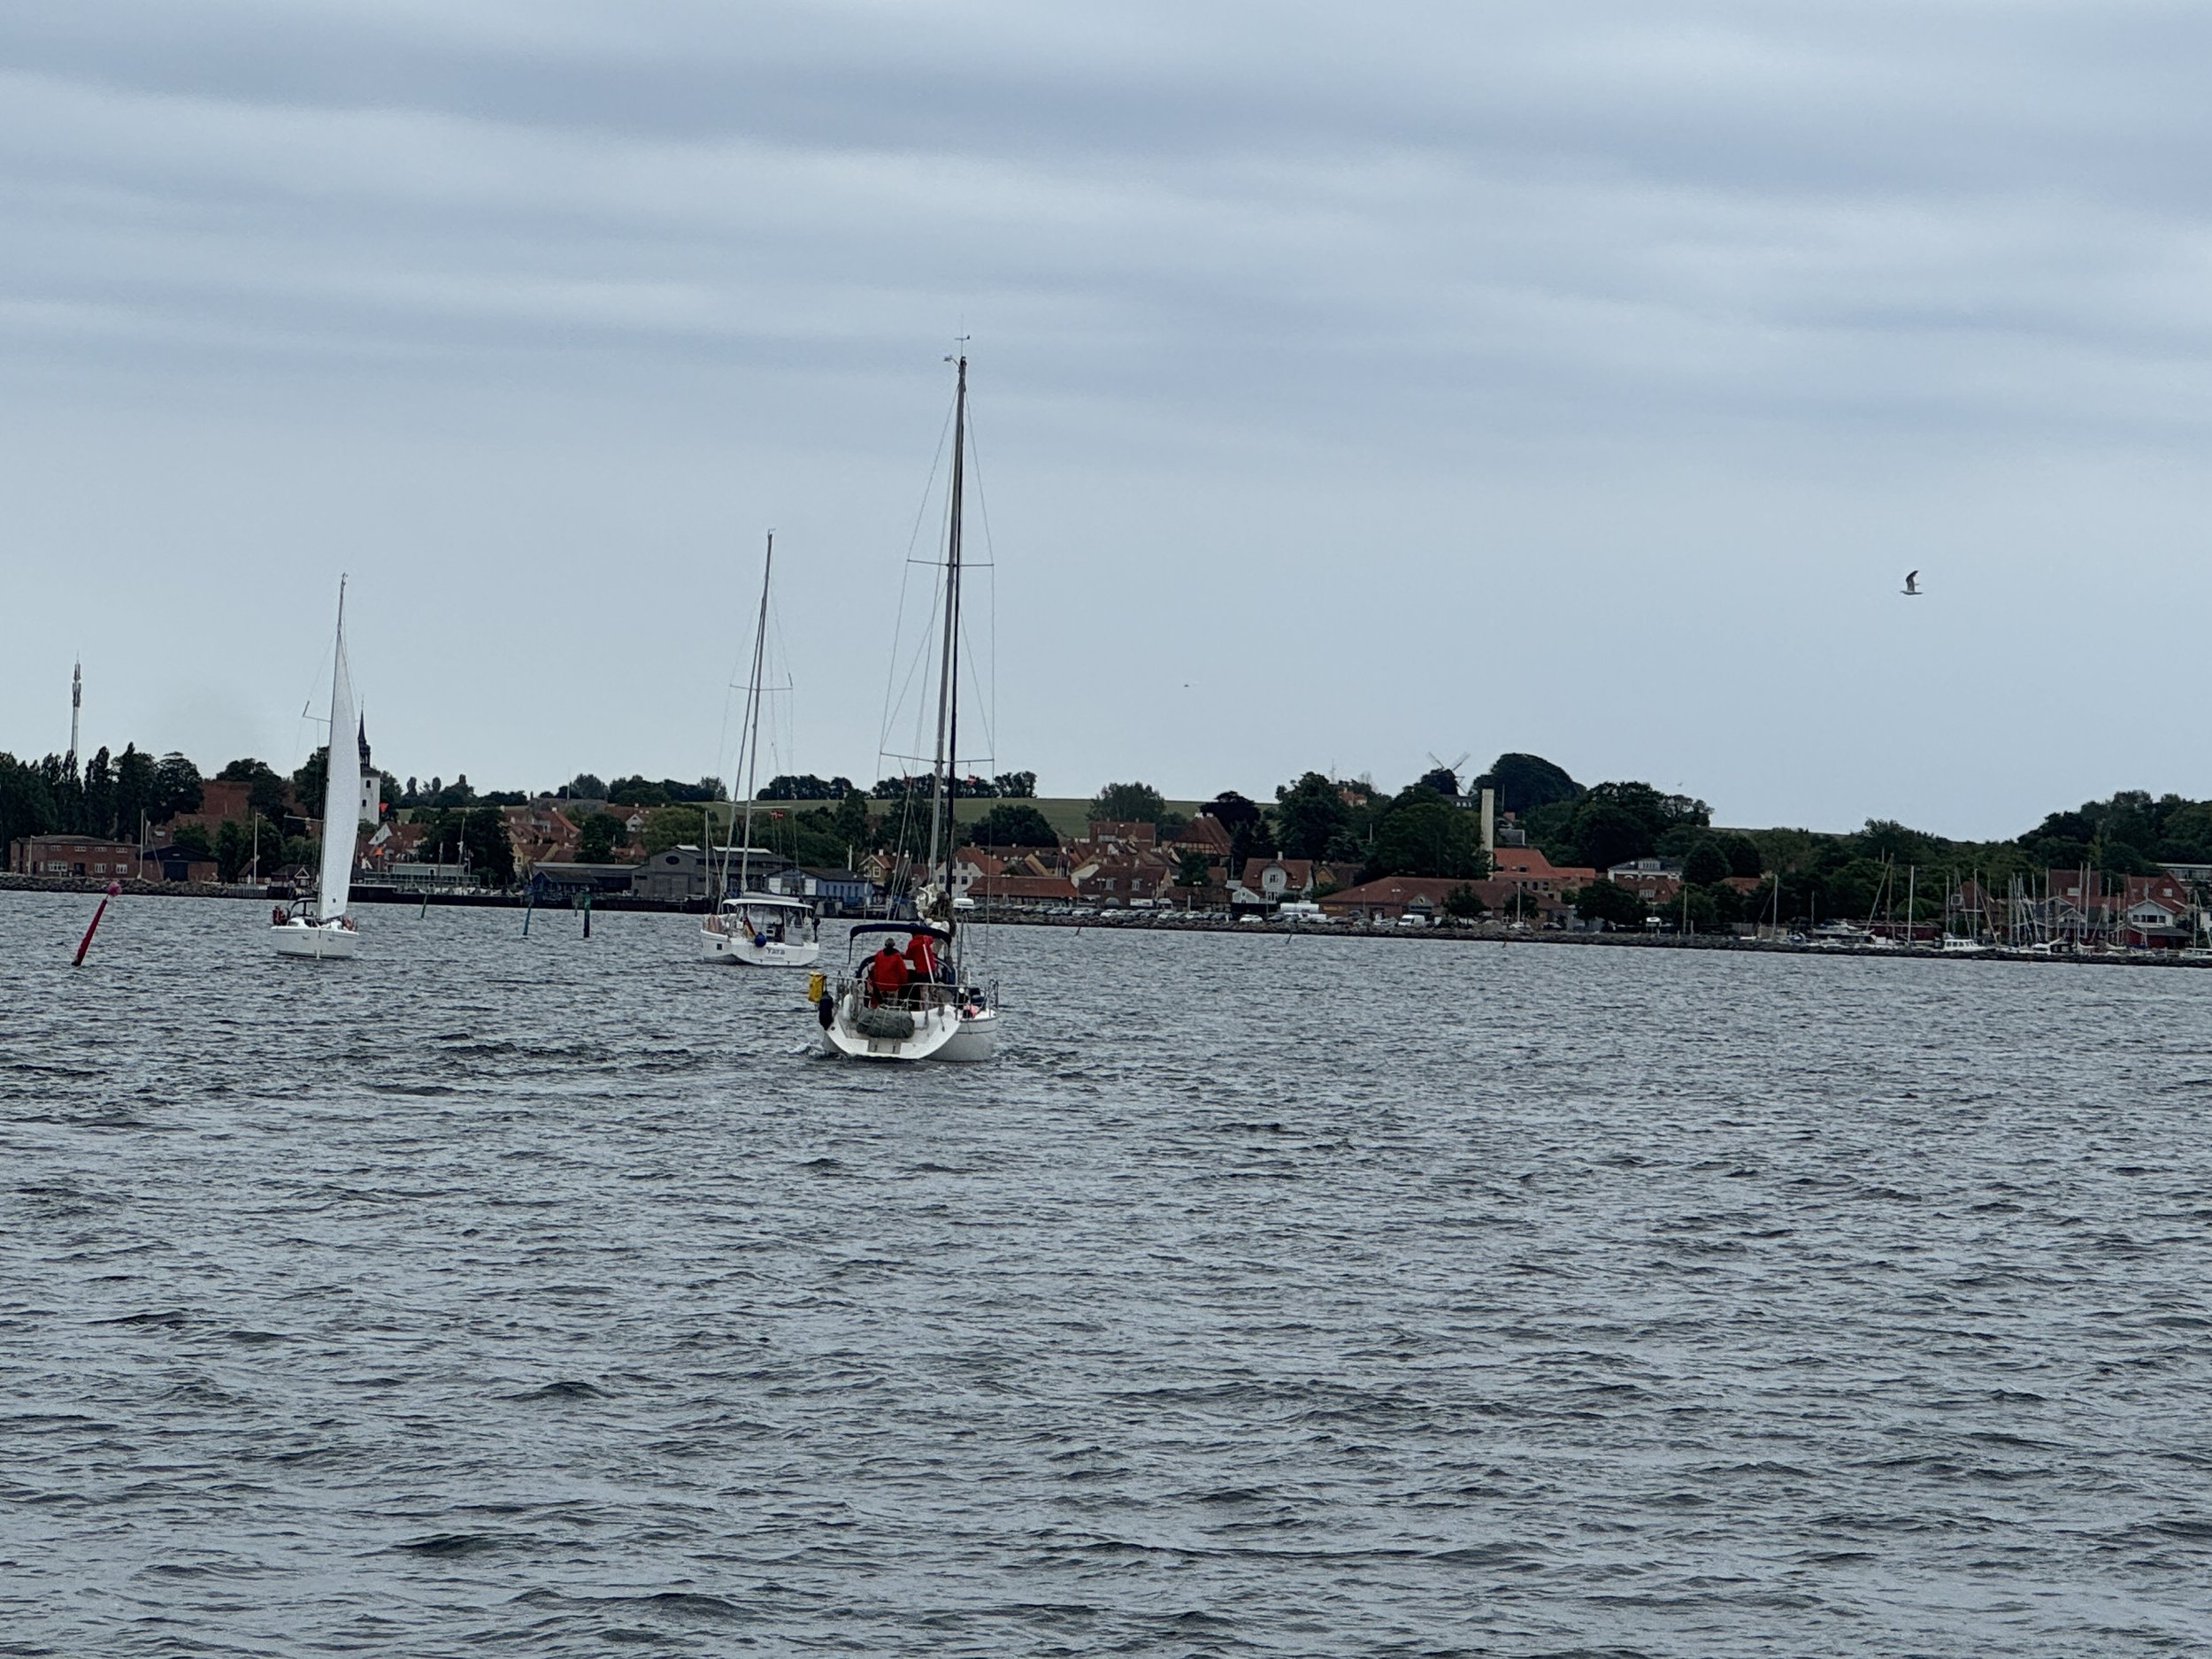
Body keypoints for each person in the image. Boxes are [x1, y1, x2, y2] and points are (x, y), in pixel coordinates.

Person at [865, 937, 910, 1006]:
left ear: (885, 945)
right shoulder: (897, 957)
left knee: (882, 1003)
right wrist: (903, 983)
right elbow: (903, 972)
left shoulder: (879, 955)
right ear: (893, 945)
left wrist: (876, 982)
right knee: (892, 1005)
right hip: (893, 987)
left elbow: (876, 971)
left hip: (881, 985)